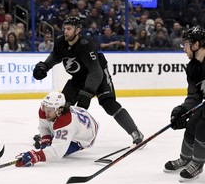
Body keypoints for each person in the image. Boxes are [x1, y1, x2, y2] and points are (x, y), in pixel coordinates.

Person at [32, 17, 144, 147]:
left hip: (98, 76)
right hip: (79, 78)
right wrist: (44, 66)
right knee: (62, 105)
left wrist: (87, 94)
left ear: (78, 30)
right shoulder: (61, 42)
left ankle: (135, 132)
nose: (65, 32)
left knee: (109, 104)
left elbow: (96, 72)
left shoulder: (85, 45)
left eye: (69, 29)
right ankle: (50, 134)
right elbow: (55, 56)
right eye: (64, 28)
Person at [164, 25, 205, 181]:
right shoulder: (192, 67)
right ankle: (185, 158)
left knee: (202, 127)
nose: (184, 48)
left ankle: (198, 162)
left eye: (186, 44)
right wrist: (182, 110)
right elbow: (194, 95)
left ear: (196, 45)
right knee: (191, 124)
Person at [15, 91, 99, 167]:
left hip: (83, 138)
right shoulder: (47, 111)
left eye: (49, 111)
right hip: (79, 118)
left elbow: (56, 152)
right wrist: (46, 140)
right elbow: (44, 126)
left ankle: (54, 137)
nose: (46, 113)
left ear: (59, 110)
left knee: (62, 151)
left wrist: (36, 155)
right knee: (51, 136)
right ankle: (53, 136)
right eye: (45, 108)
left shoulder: (65, 123)